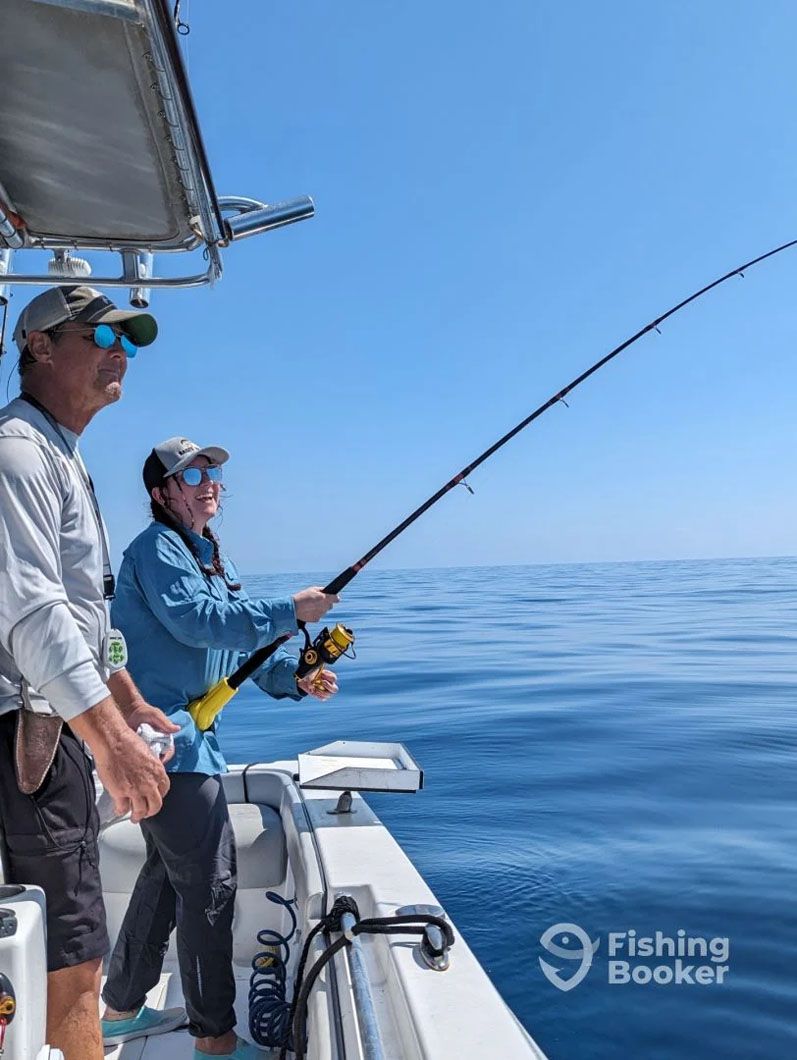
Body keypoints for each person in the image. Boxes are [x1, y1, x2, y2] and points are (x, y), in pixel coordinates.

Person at [100, 436, 339, 1059]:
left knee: (165, 876)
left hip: (193, 746)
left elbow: (239, 649)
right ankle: (215, 1039)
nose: (209, 481)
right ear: (161, 493)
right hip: (164, 746)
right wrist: (290, 608)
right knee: (210, 885)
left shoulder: (212, 558)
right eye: (192, 473)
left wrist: (295, 677)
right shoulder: (154, 551)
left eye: (212, 472)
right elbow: (199, 623)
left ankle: (121, 1008)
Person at [0, 286, 182, 1060]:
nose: (119, 353)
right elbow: (33, 612)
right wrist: (109, 741)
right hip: (32, 734)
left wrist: (127, 698)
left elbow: (86, 613)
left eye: (129, 343)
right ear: (38, 345)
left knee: (68, 935)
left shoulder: (60, 454)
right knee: (73, 953)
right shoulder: (18, 451)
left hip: (59, 724)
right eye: (100, 335)